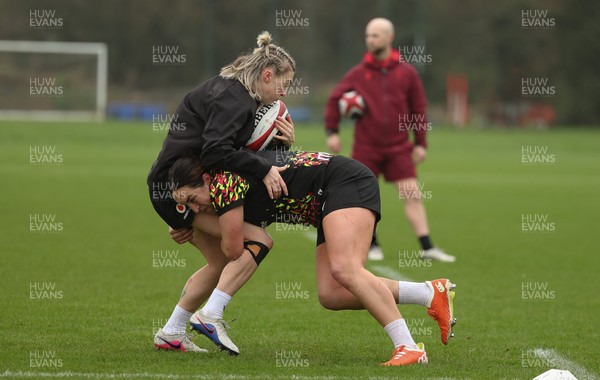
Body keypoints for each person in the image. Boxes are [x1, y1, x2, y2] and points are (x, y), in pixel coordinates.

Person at [169, 150, 457, 366]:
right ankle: (428, 293)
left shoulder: (224, 184)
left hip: (344, 182)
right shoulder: (224, 180)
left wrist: (197, 226)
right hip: (325, 202)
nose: (196, 207)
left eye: (193, 199)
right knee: (332, 294)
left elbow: (233, 250)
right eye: (186, 206)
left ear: (207, 180)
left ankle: (409, 347)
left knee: (346, 270)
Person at [147, 31, 296, 354]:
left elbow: (231, 149)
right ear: (267, 75)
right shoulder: (234, 98)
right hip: (180, 188)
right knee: (252, 244)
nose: (284, 93)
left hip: (176, 188)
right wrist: (265, 169)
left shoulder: (234, 90)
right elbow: (216, 152)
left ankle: (172, 332)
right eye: (283, 84)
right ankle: (207, 317)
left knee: (220, 265)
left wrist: (282, 146)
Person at [324, 17, 456, 262]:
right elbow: (334, 100)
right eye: (367, 35)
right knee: (363, 198)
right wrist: (332, 132)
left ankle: (427, 247)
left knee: (412, 193)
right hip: (366, 146)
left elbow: (419, 108)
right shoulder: (358, 74)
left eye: (374, 35)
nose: (369, 40)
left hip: (398, 147)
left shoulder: (407, 73)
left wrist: (420, 143)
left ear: (388, 38)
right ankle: (372, 244)